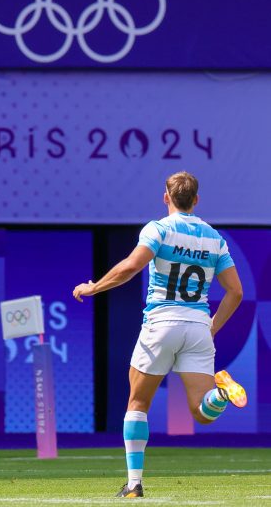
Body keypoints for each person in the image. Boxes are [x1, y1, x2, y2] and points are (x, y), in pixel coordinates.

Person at [72, 172, 247, 499]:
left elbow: (129, 267)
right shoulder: (214, 238)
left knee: (138, 403)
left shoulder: (159, 229)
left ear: (166, 198)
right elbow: (235, 292)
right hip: (197, 326)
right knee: (201, 412)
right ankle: (222, 395)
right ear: (196, 200)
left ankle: (135, 484)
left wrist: (94, 287)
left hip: (162, 322)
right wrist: (210, 328)